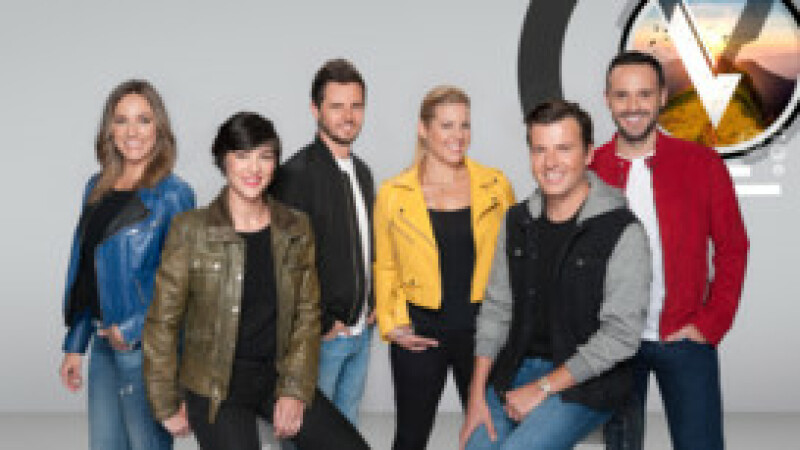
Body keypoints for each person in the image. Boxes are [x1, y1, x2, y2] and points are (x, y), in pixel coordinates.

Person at [143, 112, 370, 450]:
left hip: (276, 377)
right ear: (223, 160)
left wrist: (294, 389)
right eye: (242, 155)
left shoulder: (295, 227)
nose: (254, 168)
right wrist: (164, 402)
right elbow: (162, 321)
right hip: (214, 385)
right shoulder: (190, 230)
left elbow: (307, 316)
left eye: (265, 156)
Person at [460, 100, 651, 450]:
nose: (550, 163)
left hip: (585, 381)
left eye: (563, 148)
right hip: (515, 369)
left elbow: (621, 337)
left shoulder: (622, 231)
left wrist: (543, 388)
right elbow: (496, 309)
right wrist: (475, 396)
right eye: (540, 150)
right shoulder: (517, 222)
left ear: (588, 154)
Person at [595, 51, 749, 450]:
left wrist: (711, 322)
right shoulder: (589, 170)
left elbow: (733, 247)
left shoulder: (702, 163)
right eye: (622, 95)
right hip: (613, 344)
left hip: (685, 338)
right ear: (607, 99)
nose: (633, 106)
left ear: (662, 96)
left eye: (644, 94)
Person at [374, 85, 515, 450]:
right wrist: (393, 325)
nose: (458, 136)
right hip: (421, 333)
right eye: (447, 125)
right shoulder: (393, 193)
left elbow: (515, 260)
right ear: (424, 129)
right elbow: (385, 265)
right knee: (410, 438)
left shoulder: (496, 185)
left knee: (489, 436)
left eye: (464, 125)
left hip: (482, 333)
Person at [58, 79, 195, 450]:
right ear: (110, 130)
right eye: (122, 120)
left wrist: (131, 329)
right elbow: (85, 271)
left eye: (143, 120)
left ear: (159, 128)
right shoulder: (96, 187)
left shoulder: (174, 195)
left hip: (146, 350)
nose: (132, 131)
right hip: (102, 343)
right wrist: (76, 344)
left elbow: (183, 283)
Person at [271, 58, 374, 427]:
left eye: (356, 106)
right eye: (337, 106)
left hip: (361, 334)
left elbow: (365, 245)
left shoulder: (363, 172)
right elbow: (284, 264)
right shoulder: (295, 175)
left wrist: (374, 302)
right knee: (308, 436)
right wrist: (323, 321)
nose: (348, 116)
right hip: (322, 340)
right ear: (316, 110)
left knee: (345, 434)